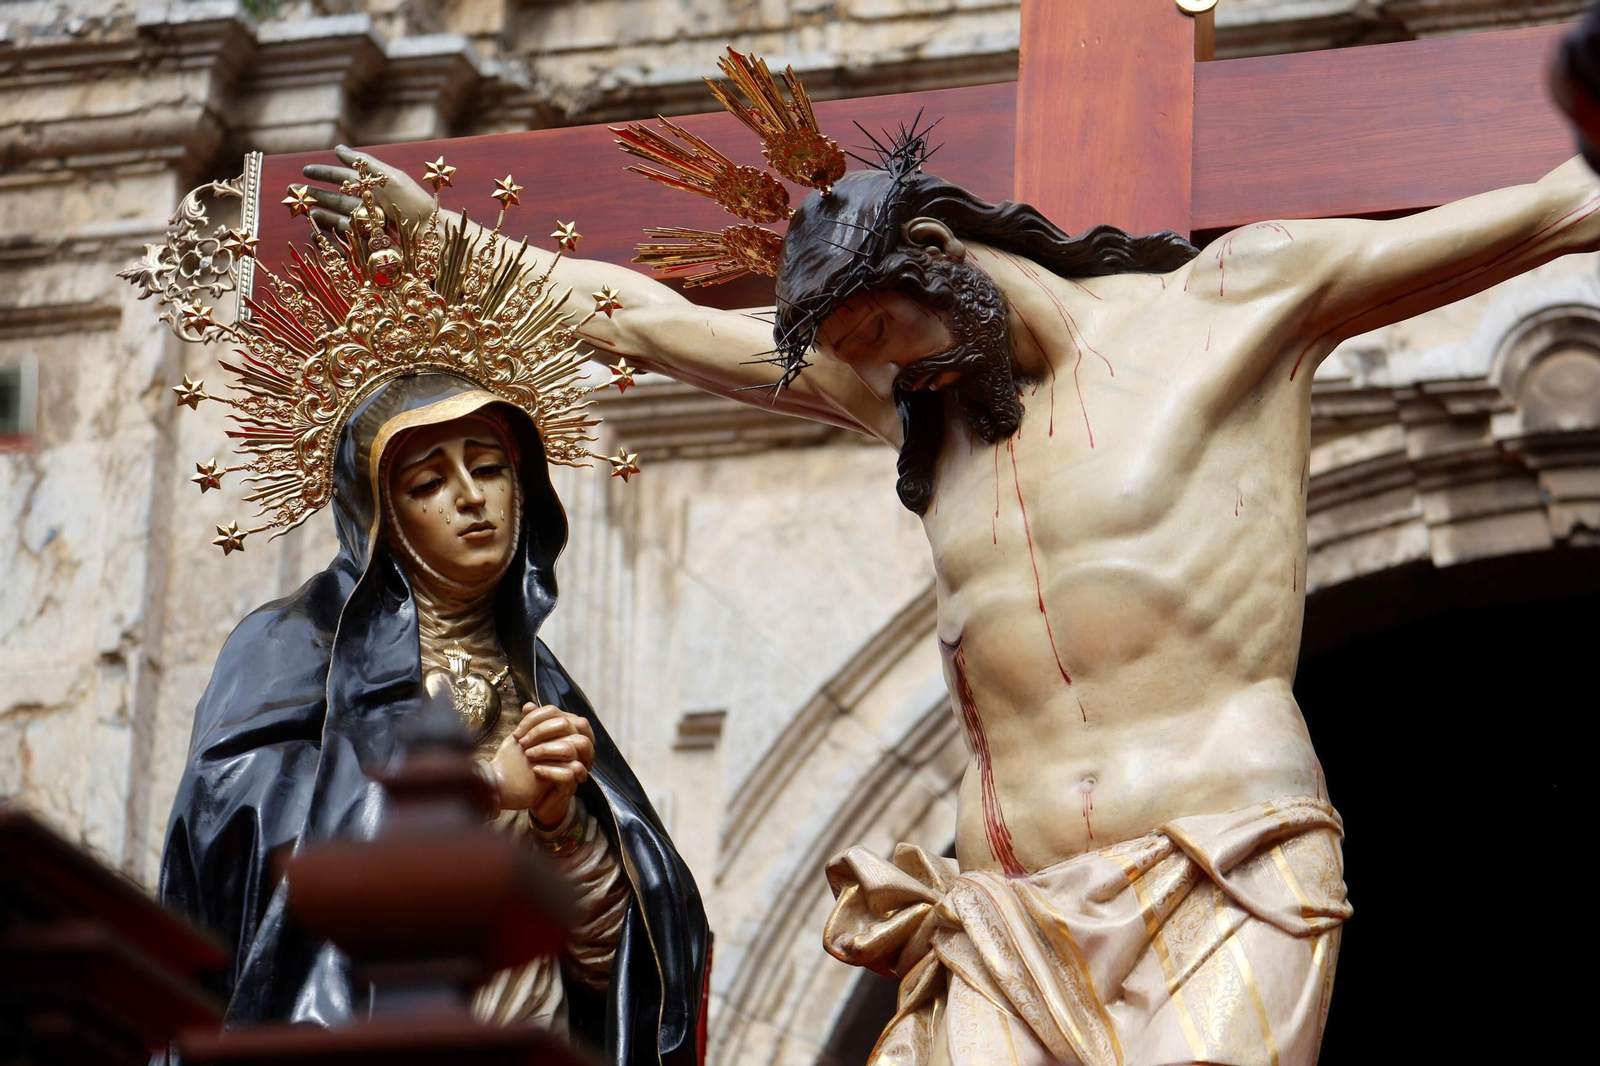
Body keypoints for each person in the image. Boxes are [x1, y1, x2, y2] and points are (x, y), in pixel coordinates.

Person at [301, 53, 1600, 1064]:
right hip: (999, 907)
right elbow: (643, 316)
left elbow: (1552, 211)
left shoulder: (1236, 310)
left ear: (945, 266)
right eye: (859, 358)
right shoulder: (905, 388)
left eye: (891, 341)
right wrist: (453, 245)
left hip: (1222, 862)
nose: (883, 385)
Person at [144, 164, 710, 1065]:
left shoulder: (541, 683)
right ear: (379, 515)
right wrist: (495, 792)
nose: (471, 499)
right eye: (427, 481)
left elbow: (615, 967)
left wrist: (564, 826)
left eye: (488, 468)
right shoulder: (294, 648)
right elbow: (248, 856)